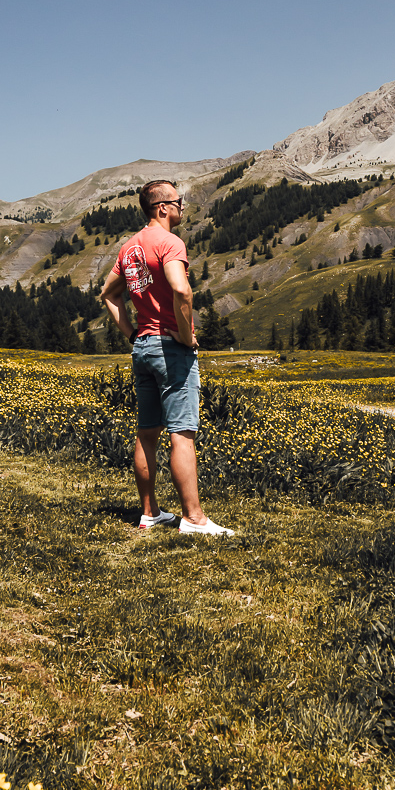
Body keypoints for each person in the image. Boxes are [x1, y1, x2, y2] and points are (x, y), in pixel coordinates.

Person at [99, 180, 234, 537]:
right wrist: (186, 336)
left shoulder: (129, 247)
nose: (182, 207)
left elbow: (108, 294)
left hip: (142, 348)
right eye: (178, 201)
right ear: (162, 207)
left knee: (147, 433)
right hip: (170, 348)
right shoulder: (169, 242)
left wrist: (132, 334)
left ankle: (150, 513)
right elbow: (180, 289)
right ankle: (194, 519)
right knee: (182, 434)